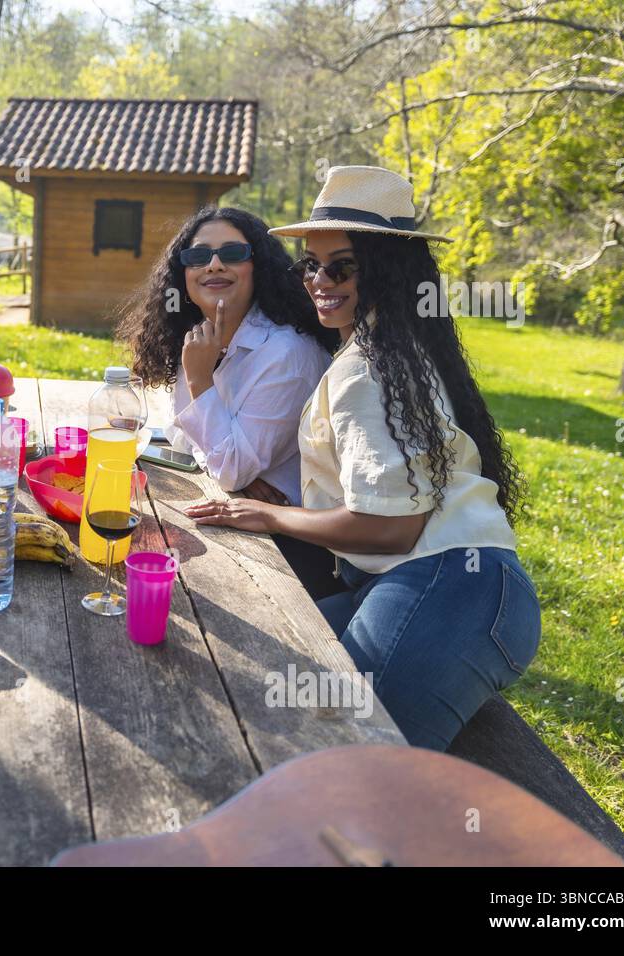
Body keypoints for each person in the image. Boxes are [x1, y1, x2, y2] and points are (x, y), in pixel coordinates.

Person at [186, 165, 541, 751]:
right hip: (451, 590)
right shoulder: (391, 348)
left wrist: (273, 516)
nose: (319, 280)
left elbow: (390, 527)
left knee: (339, 754)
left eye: (341, 266)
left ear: (387, 270)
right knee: (263, 693)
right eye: (310, 265)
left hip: (448, 588)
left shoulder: (366, 370)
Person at [117, 205, 343, 599]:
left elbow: (228, 468)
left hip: (294, 548)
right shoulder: (202, 337)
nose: (215, 264)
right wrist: (239, 470)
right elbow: (186, 440)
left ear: (259, 267)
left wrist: (200, 380)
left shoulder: (286, 353)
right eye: (199, 255)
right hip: (235, 515)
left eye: (233, 254)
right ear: (182, 273)